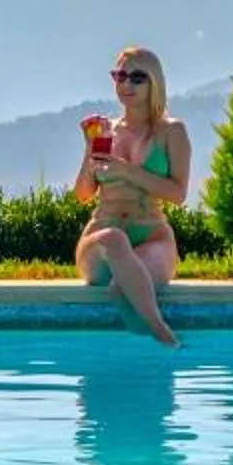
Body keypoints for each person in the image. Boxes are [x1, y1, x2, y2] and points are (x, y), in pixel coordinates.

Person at [75, 45, 189, 346]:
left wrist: (127, 172)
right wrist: (90, 151)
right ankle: (162, 333)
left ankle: (141, 370)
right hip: (102, 238)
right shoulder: (104, 131)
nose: (126, 84)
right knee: (114, 239)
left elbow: (178, 194)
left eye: (137, 78)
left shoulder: (172, 132)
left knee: (121, 288)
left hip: (152, 236)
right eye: (120, 76)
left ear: (155, 82)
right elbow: (84, 194)